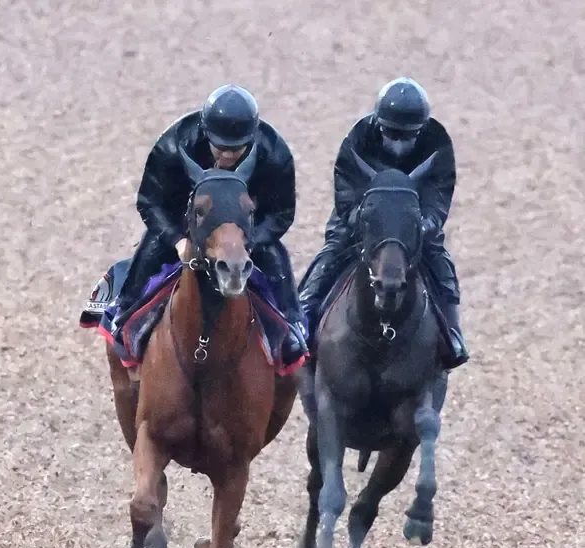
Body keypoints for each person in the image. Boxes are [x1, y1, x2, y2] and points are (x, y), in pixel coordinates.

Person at [112, 83, 307, 361]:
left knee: (278, 261)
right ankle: (124, 313)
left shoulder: (274, 153)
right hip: (184, 224)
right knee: (149, 253)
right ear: (206, 134)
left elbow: (282, 213)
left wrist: (249, 243)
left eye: (236, 149)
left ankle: (292, 323)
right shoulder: (172, 145)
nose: (227, 155)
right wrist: (177, 241)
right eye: (221, 148)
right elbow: (150, 201)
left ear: (251, 138)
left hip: (245, 232)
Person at [298, 77, 469, 369]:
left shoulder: (437, 145)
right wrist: (363, 221)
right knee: (330, 255)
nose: (398, 143)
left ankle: (452, 332)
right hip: (362, 221)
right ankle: (305, 318)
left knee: (440, 263)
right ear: (379, 125)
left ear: (421, 129)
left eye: (407, 136)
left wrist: (425, 224)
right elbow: (346, 191)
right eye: (391, 134)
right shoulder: (357, 139)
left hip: (412, 225)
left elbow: (439, 195)